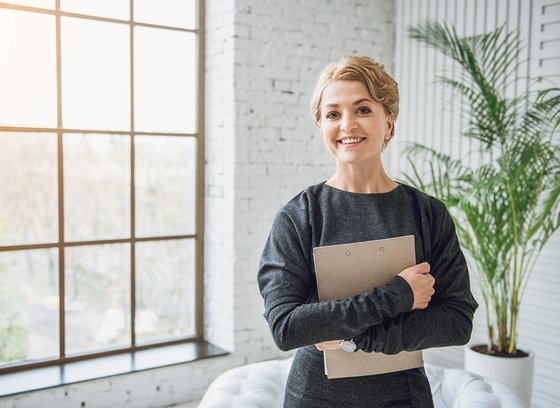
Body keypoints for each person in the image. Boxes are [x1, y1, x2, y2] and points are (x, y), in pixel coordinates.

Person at [257, 55, 478, 408]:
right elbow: (286, 327)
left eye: (362, 109)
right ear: (321, 128)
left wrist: (348, 336)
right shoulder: (299, 216)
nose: (347, 124)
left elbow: (457, 320)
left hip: (404, 397)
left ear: (388, 122)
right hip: (315, 396)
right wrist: (398, 295)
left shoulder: (427, 213)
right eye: (333, 114)